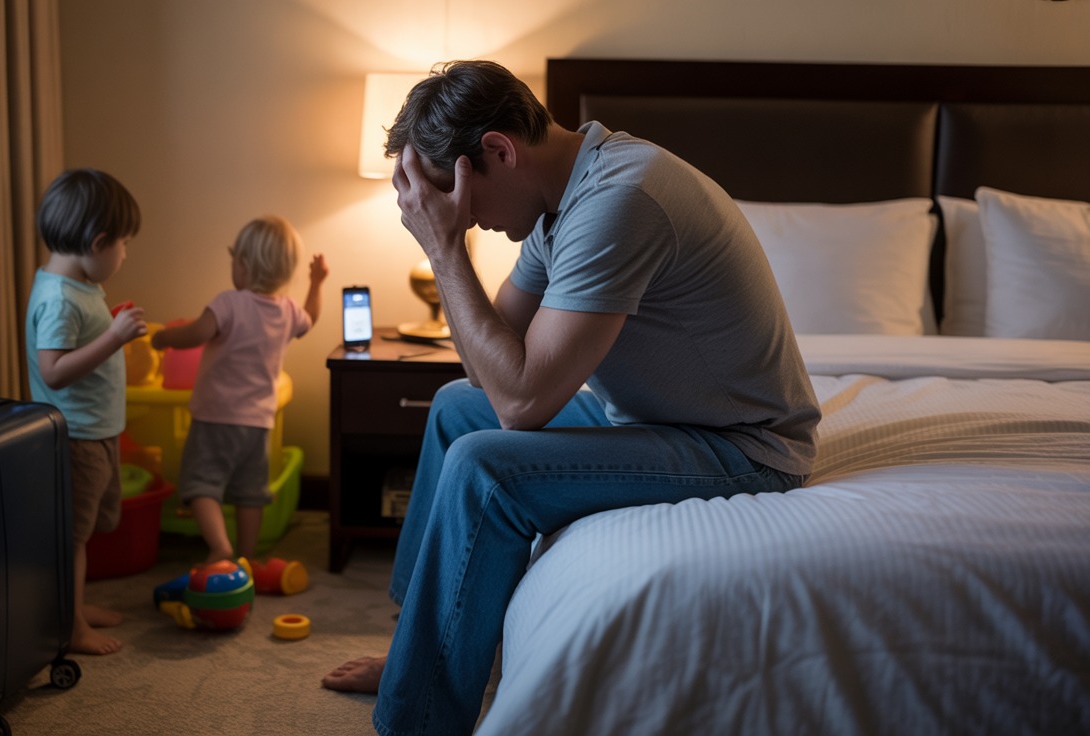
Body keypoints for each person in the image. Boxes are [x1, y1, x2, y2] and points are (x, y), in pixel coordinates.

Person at [321, 60, 822, 735]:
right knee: (453, 409)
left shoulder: (621, 199)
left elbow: (522, 406)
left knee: (483, 464)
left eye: (463, 205)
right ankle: (416, 645)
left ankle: (418, 718)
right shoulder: (561, 198)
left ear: (498, 151)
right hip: (653, 417)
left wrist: (444, 253)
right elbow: (485, 373)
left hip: (743, 445)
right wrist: (449, 243)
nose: (468, 223)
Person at [151, 215, 328, 563]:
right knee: (250, 494)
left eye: (234, 260)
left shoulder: (229, 303)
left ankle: (219, 547)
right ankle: (246, 558)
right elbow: (311, 316)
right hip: (259, 424)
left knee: (201, 484)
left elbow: (197, 334)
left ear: (244, 265)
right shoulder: (288, 311)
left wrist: (162, 338)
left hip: (215, 418)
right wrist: (317, 282)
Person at [27, 168, 148, 656]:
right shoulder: (60, 297)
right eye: (122, 244)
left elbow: (75, 342)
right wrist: (113, 338)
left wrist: (106, 326)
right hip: (75, 438)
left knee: (87, 531)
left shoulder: (72, 285)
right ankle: (71, 627)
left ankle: (75, 607)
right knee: (72, 538)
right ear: (97, 243)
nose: (124, 254)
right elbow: (53, 371)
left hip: (94, 431)